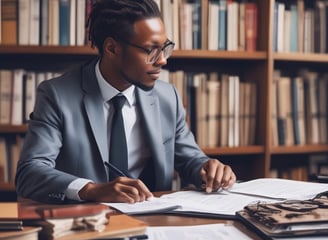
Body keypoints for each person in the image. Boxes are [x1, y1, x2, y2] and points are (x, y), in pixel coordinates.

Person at [15, 0, 236, 204]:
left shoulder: (168, 97)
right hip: (88, 224)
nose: (163, 60)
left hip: (155, 222)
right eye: (151, 50)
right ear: (112, 48)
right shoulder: (56, 95)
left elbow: (190, 159)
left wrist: (207, 169)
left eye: (165, 47)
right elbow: (30, 172)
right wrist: (91, 190)